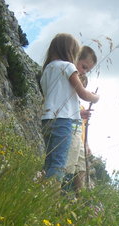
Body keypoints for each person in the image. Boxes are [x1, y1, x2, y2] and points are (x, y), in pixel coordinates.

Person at [40, 34, 99, 182]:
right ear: (70, 51)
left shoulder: (47, 70)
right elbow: (83, 94)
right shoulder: (68, 66)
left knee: (49, 162)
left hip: (47, 120)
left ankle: (41, 194)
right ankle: (50, 198)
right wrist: (95, 97)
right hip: (63, 121)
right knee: (59, 164)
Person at [64, 46, 98, 193]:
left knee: (82, 166)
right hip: (68, 131)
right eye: (83, 67)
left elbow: (82, 127)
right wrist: (94, 97)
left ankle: (80, 196)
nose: (84, 72)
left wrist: (86, 144)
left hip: (79, 137)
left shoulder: (80, 107)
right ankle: (58, 192)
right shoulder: (66, 92)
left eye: (87, 71)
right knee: (69, 164)